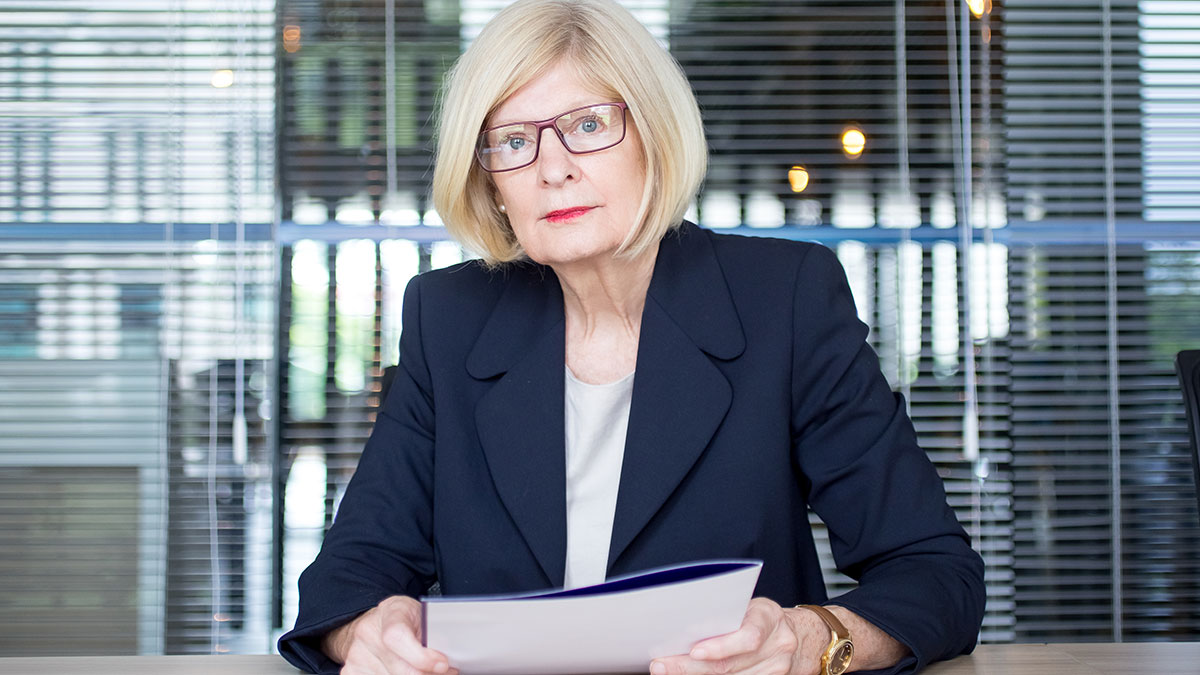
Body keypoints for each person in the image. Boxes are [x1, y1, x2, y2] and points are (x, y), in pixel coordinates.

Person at [278, 1, 986, 674]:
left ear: (653, 135)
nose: (553, 168)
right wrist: (368, 630)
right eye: (514, 142)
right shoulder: (449, 316)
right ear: (492, 184)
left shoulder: (784, 300)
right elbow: (345, 581)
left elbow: (933, 572)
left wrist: (815, 640)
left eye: (587, 125)